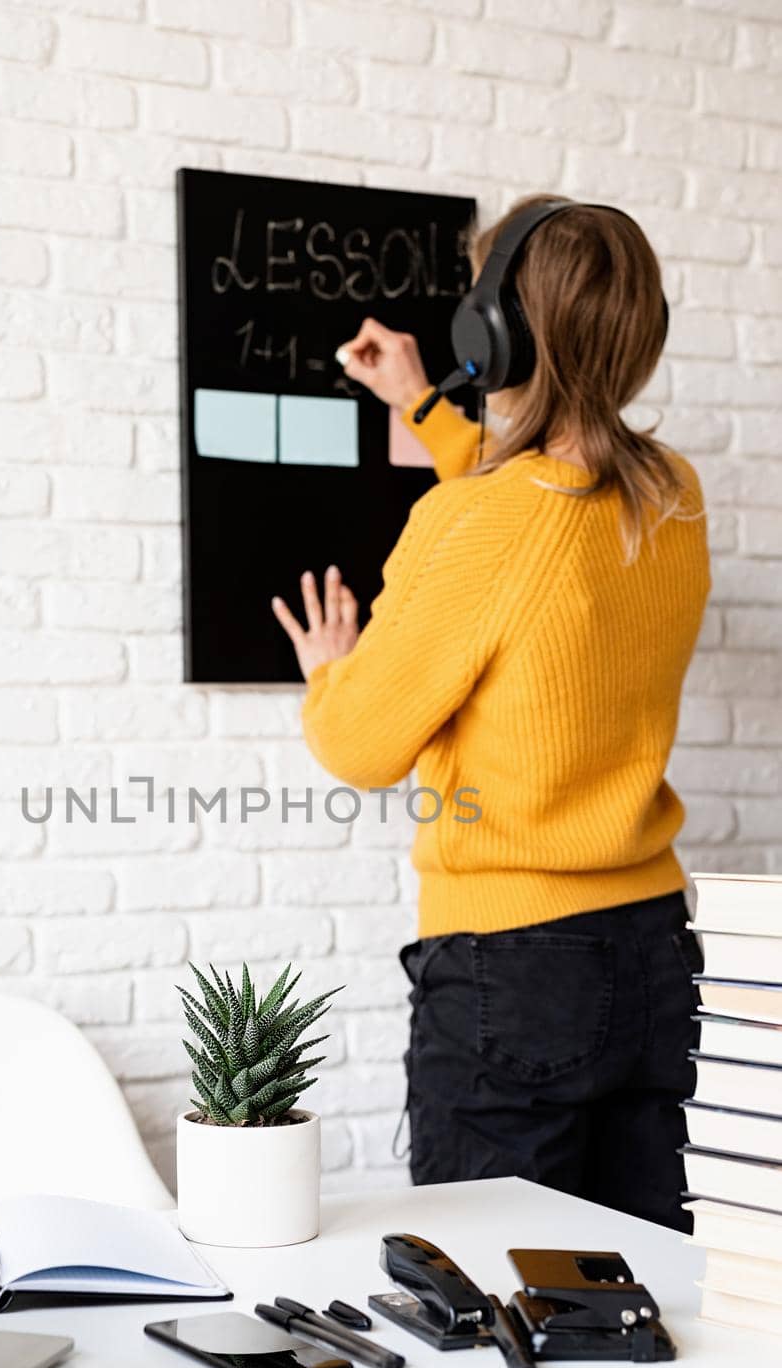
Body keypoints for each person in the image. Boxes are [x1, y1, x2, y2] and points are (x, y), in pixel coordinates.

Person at [272, 194, 710, 1232]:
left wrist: (331, 671)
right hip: (653, 949)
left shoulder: (474, 523)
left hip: (513, 969)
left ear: (498, 333)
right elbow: (544, 512)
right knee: (633, 1284)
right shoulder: (675, 498)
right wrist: (423, 403)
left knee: (494, 1294)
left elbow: (361, 745)